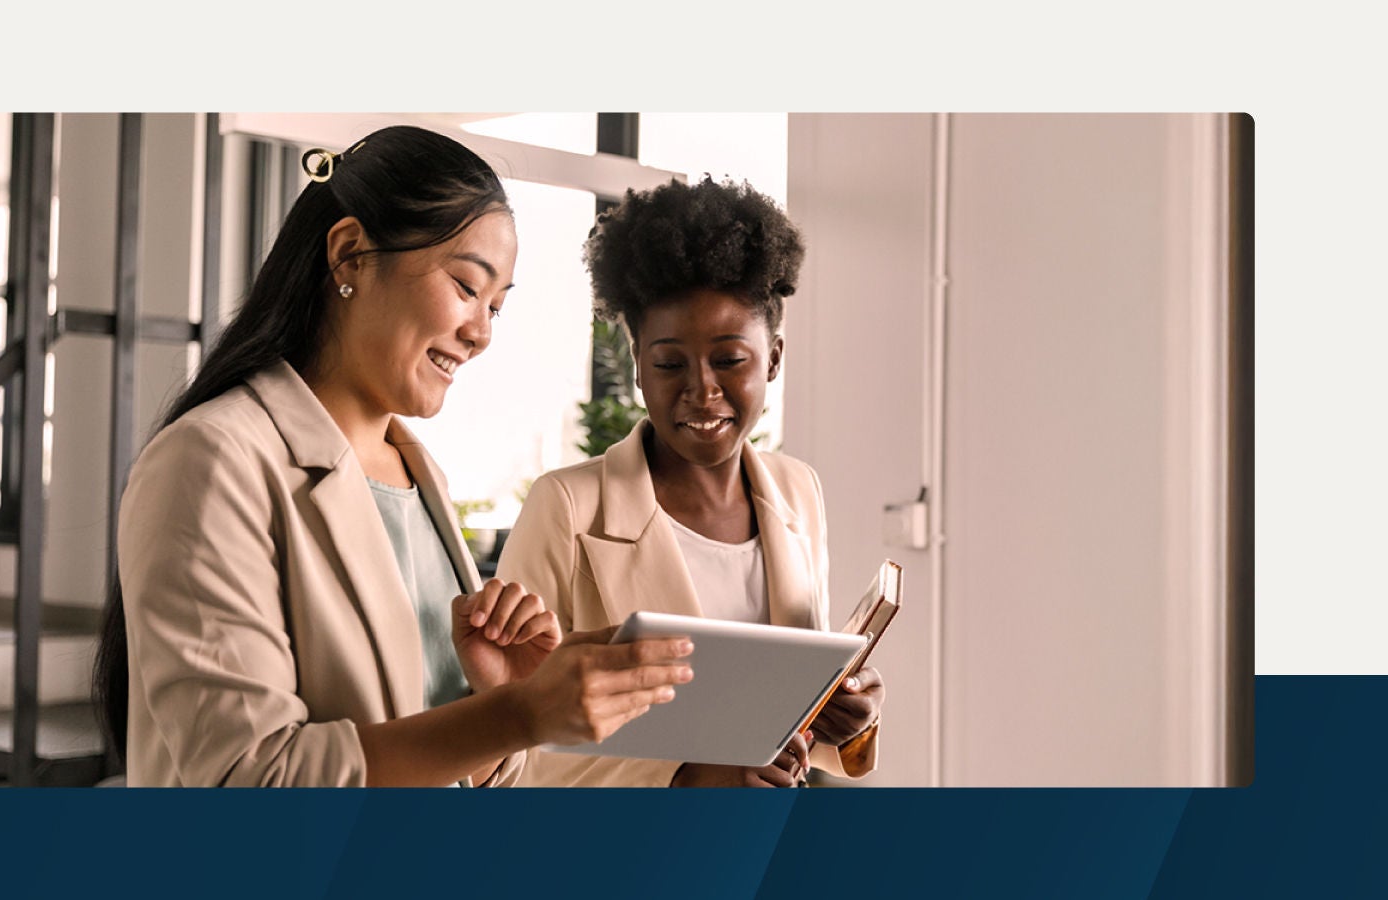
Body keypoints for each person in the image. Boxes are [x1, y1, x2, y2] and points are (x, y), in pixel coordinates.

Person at [91, 125, 694, 787]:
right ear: (350, 255)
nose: (481, 332)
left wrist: (496, 696)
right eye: (467, 287)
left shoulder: (417, 471)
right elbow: (246, 778)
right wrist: (515, 716)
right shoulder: (212, 460)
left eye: (496, 306)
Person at [497, 176, 885, 787]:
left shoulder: (797, 491)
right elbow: (507, 751)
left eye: (730, 360)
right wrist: (686, 779)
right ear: (637, 363)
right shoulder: (568, 508)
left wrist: (846, 716)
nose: (702, 390)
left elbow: (792, 711)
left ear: (775, 358)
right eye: (670, 363)